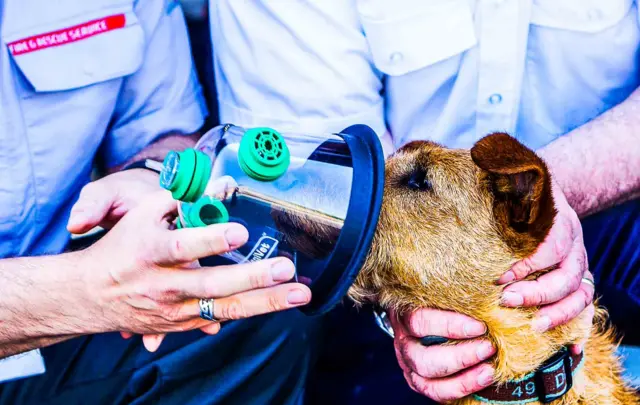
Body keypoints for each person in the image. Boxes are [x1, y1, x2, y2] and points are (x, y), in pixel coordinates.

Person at [209, 1, 639, 403]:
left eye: (416, 181)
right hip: (373, 291)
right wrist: (398, 300)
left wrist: (548, 196)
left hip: (604, 201)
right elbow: (328, 180)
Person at [0, 1, 322, 404]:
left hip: (54, 318)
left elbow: (162, 132)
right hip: (57, 295)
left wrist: (150, 178)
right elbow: (86, 293)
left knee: (253, 311)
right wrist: (88, 292)